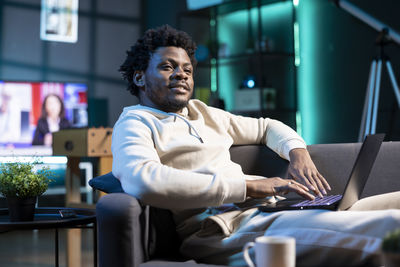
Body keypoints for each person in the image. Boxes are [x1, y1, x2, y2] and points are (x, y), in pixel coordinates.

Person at [113, 25, 400, 266]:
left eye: (187, 69)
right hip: (222, 229)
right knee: (390, 227)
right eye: (167, 67)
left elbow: (266, 127)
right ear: (139, 77)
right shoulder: (135, 123)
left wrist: (297, 153)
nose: (181, 74)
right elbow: (142, 180)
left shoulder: (205, 113)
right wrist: (250, 187)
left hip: (271, 211)